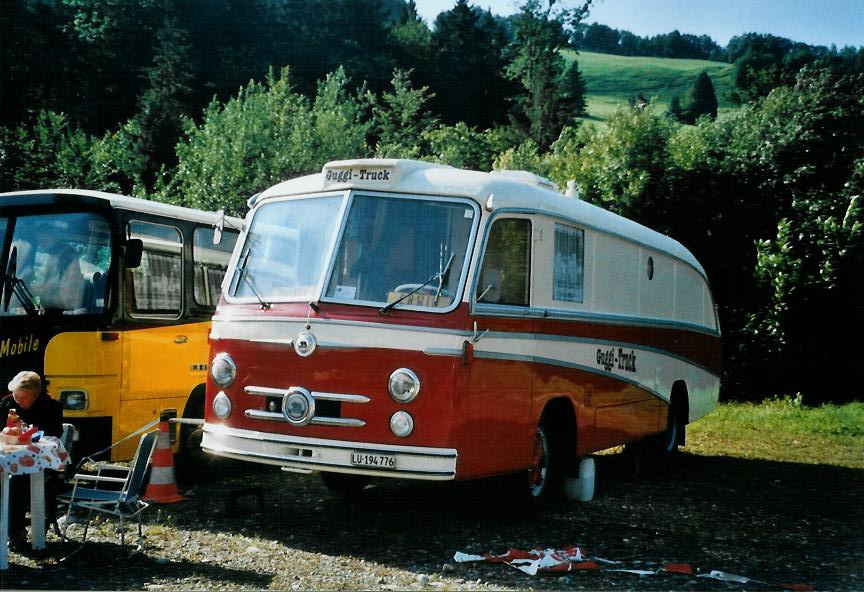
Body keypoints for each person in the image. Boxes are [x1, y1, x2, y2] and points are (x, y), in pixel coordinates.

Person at [1, 371, 64, 548]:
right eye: (16, 396)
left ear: (36, 394)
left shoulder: (50, 406)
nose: (19, 401)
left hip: (41, 462)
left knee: (17, 481)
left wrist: (30, 433)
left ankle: (15, 532)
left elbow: (55, 434)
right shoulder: (7, 403)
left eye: (24, 397)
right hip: (9, 457)